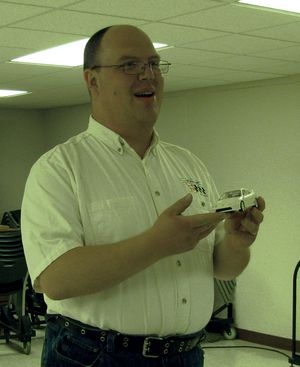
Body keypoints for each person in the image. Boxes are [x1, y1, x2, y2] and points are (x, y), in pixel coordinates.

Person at [21, 24, 265, 367]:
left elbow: (221, 270)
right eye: (129, 65)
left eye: (153, 63)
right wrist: (156, 243)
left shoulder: (189, 165)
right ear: (92, 81)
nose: (147, 75)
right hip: (94, 357)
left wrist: (237, 243)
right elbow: (55, 279)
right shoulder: (59, 168)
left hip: (187, 356)